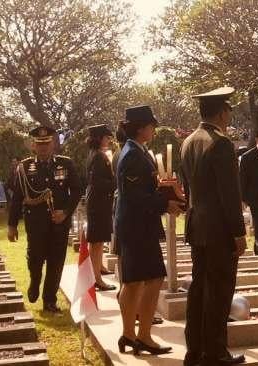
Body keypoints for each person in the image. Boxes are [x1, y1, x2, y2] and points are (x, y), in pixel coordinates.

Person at [181, 87, 247, 366]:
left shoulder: (189, 141)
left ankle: (194, 350)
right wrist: (239, 233)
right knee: (219, 291)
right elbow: (229, 195)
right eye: (229, 109)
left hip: (198, 225)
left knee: (199, 290)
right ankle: (215, 352)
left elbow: (189, 189)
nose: (229, 114)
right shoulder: (220, 143)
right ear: (222, 112)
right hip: (219, 229)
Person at [115, 106, 183, 356]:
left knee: (138, 281)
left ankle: (132, 334)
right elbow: (135, 197)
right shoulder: (132, 154)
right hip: (136, 226)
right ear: (141, 127)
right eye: (151, 125)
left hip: (138, 224)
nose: (154, 129)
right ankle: (139, 335)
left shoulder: (137, 151)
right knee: (145, 280)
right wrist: (165, 203)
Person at [7, 126, 81, 312]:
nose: (43, 147)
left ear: (53, 144)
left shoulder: (65, 163)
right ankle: (34, 281)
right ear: (33, 145)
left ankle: (49, 300)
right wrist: (12, 225)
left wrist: (65, 212)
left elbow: (77, 190)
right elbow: (17, 197)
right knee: (35, 258)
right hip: (35, 222)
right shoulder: (24, 167)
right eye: (39, 144)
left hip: (59, 223)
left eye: (47, 143)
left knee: (56, 261)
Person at [85, 124, 116, 291]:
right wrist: (116, 181)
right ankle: (96, 278)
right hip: (98, 203)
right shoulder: (98, 157)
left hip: (98, 203)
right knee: (96, 242)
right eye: (106, 137)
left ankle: (98, 269)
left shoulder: (95, 154)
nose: (108, 140)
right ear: (99, 139)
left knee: (98, 240)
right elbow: (98, 182)